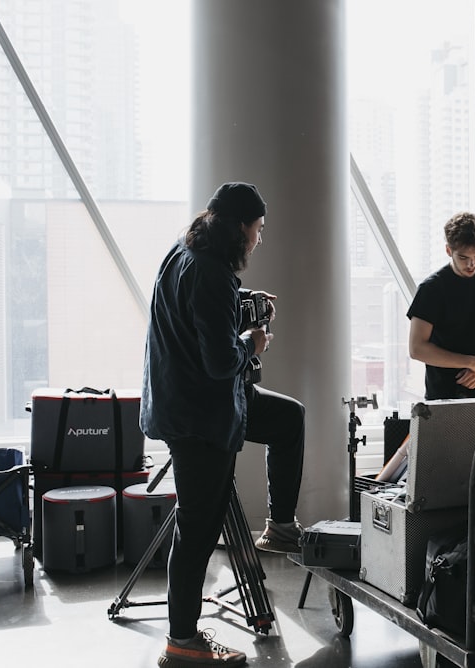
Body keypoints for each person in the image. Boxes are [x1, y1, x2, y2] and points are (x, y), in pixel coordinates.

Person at [140, 182, 306, 667]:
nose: (259, 239)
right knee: (197, 528)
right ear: (239, 227)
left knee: (287, 418)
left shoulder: (184, 252)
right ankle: (182, 641)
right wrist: (253, 342)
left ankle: (280, 525)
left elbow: (200, 314)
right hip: (200, 414)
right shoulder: (212, 271)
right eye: (258, 230)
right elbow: (219, 360)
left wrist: (242, 299)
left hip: (189, 400)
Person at [407, 211, 475, 400]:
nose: (472, 264)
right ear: (449, 251)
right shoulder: (431, 289)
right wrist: (471, 362)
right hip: (440, 398)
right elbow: (416, 348)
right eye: (464, 257)